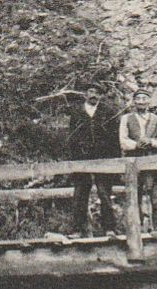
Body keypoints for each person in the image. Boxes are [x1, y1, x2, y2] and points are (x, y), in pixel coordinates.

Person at [66, 81, 120, 236]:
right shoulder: (77, 112)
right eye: (91, 91)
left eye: (97, 93)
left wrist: (113, 162)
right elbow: (71, 137)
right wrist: (74, 160)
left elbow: (114, 138)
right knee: (80, 193)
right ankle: (78, 229)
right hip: (81, 159)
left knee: (104, 193)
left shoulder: (108, 112)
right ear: (85, 94)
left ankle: (109, 228)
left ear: (101, 96)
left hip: (103, 158)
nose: (94, 95)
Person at [119, 86, 157, 232]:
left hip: (153, 159)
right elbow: (123, 141)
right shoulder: (126, 119)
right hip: (133, 160)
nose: (141, 102)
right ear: (134, 102)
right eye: (138, 99)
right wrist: (136, 145)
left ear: (149, 101)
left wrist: (152, 142)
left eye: (144, 98)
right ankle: (137, 227)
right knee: (135, 194)